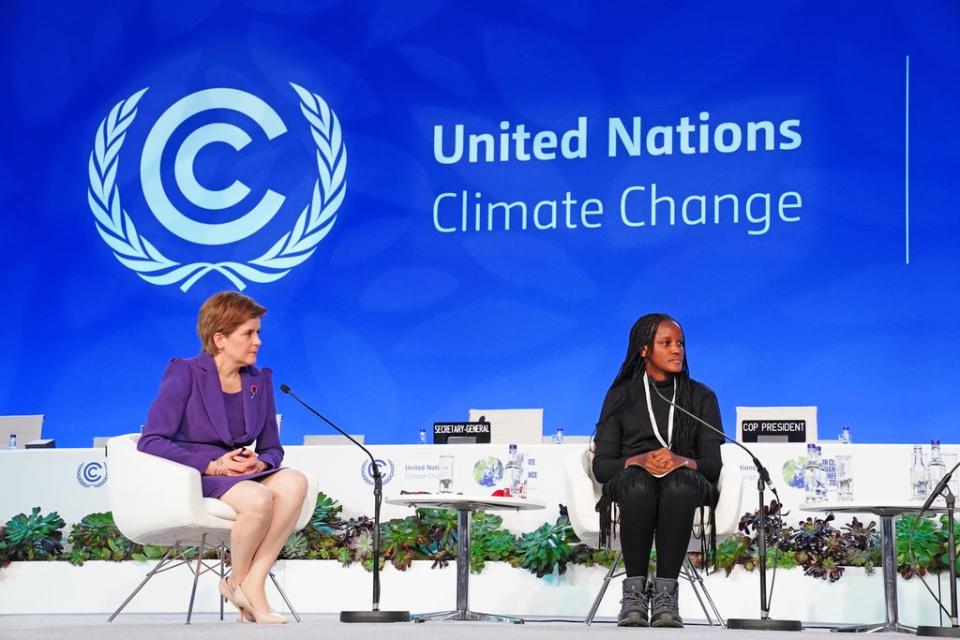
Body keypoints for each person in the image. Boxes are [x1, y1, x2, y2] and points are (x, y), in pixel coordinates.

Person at [138, 291, 307, 624]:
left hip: (244, 472)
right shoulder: (185, 373)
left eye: (258, 332)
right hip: (200, 473)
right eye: (248, 333)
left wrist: (260, 463)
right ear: (220, 339)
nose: (257, 341)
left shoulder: (260, 381)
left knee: (294, 482)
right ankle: (247, 588)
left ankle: (244, 582)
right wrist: (212, 464)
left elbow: (273, 448)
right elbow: (151, 440)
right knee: (258, 498)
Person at [592, 313, 723, 628]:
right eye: (667, 343)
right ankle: (634, 595)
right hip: (632, 479)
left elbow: (711, 466)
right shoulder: (621, 396)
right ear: (644, 350)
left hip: (686, 480)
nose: (677, 350)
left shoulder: (701, 397)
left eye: (680, 343)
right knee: (638, 485)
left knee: (679, 485)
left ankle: (666, 595)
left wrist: (682, 461)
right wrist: (636, 461)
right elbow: (602, 467)